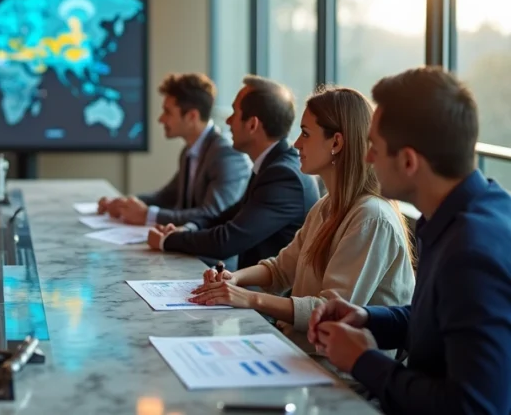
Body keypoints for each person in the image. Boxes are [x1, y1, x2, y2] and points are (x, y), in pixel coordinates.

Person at [308, 67, 511, 415]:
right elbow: (435, 320)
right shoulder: (459, 214)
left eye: (374, 146)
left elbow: (474, 407)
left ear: (408, 161)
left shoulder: (472, 251)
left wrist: (363, 360)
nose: (367, 157)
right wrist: (367, 318)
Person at [190, 86, 415, 337]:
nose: (296, 143)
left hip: (343, 369)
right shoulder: (326, 206)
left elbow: (328, 310)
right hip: (306, 350)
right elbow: (280, 269)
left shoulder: (371, 218)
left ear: (337, 142)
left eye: (305, 134)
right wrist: (232, 279)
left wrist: (249, 298)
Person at [148, 76, 320, 269]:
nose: (228, 121)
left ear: (252, 125)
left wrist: (168, 240)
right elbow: (227, 216)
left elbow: (226, 241)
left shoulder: (283, 176)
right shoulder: (271, 165)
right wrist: (188, 228)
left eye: (234, 114)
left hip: (270, 294)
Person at [97, 72, 251, 226]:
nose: (161, 119)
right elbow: (166, 197)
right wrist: (122, 204)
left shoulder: (226, 154)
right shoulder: (190, 152)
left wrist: (147, 216)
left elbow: (212, 214)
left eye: (168, 112)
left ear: (192, 116)